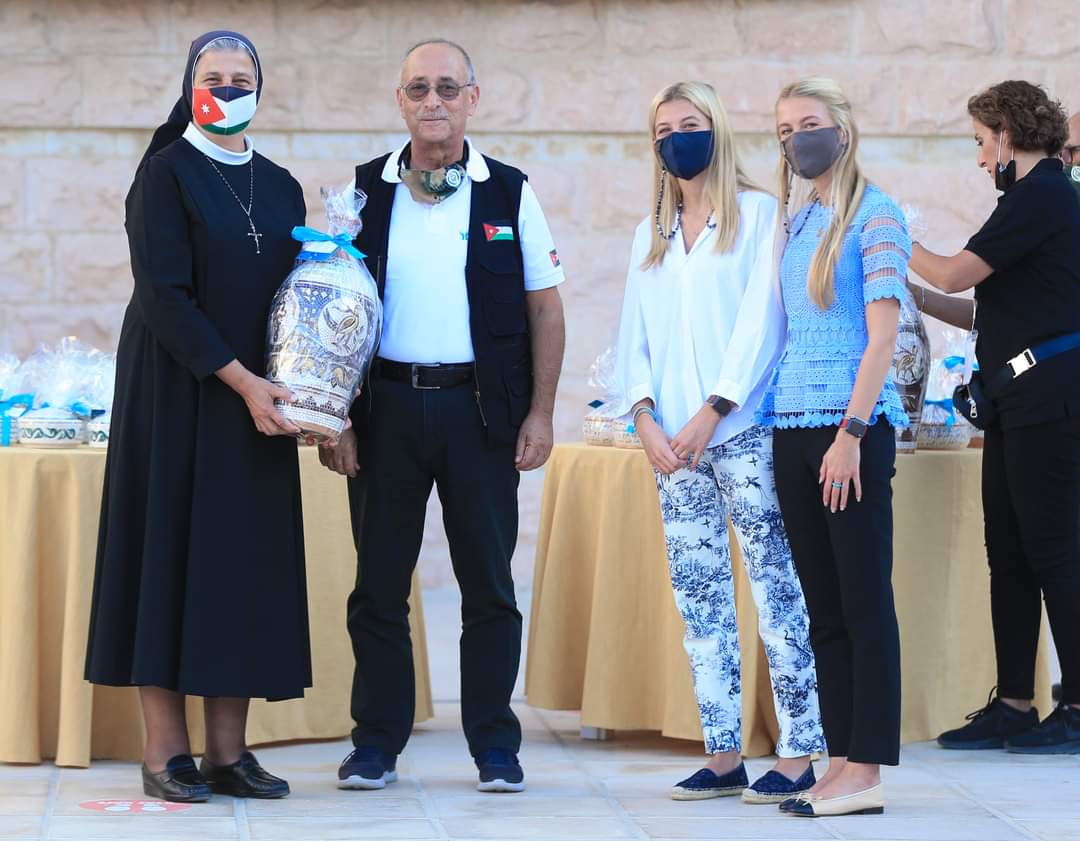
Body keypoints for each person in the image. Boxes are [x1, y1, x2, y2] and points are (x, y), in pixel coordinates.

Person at [319, 39, 566, 794]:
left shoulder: (509, 192)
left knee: (488, 587)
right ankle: (375, 745)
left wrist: (541, 413)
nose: (434, 101)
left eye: (448, 88)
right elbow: (330, 307)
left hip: (480, 416)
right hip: (384, 411)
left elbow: (545, 309)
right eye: (419, 88)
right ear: (400, 100)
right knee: (378, 587)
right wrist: (337, 417)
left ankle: (495, 747)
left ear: (472, 99)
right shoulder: (363, 191)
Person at [84, 31, 309, 803]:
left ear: (260, 91)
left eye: (241, 78)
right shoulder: (164, 174)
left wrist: (309, 384)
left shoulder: (280, 186)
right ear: (189, 86)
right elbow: (164, 297)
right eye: (213, 77)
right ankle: (165, 750)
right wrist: (242, 381)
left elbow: (296, 298)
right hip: (176, 391)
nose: (227, 89)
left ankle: (228, 752)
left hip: (256, 404)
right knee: (168, 557)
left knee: (237, 565)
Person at [613, 81, 825, 805]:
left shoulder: (760, 215)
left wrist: (714, 410)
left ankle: (798, 751)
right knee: (699, 597)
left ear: (718, 128)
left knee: (776, 590)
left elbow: (764, 324)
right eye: (663, 129)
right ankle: (723, 752)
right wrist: (644, 418)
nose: (677, 138)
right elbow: (633, 337)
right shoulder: (650, 232)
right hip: (671, 448)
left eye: (690, 123)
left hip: (744, 433)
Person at [908, 80, 1080, 755]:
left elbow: (955, 273)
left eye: (982, 142)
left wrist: (884, 230)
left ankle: (1076, 706)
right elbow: (983, 307)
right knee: (1007, 550)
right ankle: (1013, 703)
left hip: (1050, 401)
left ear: (1007, 135)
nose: (981, 158)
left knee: (1055, 550)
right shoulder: (1024, 203)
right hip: (1013, 401)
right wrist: (911, 292)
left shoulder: (1043, 194)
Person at [757, 77, 909, 818]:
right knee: (824, 605)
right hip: (791, 426)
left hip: (848, 429)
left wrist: (851, 433)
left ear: (842, 132)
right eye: (785, 130)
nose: (797, 140)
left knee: (863, 598)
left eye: (809, 124)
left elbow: (883, 338)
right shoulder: (798, 220)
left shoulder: (876, 215)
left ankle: (868, 766)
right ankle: (842, 758)